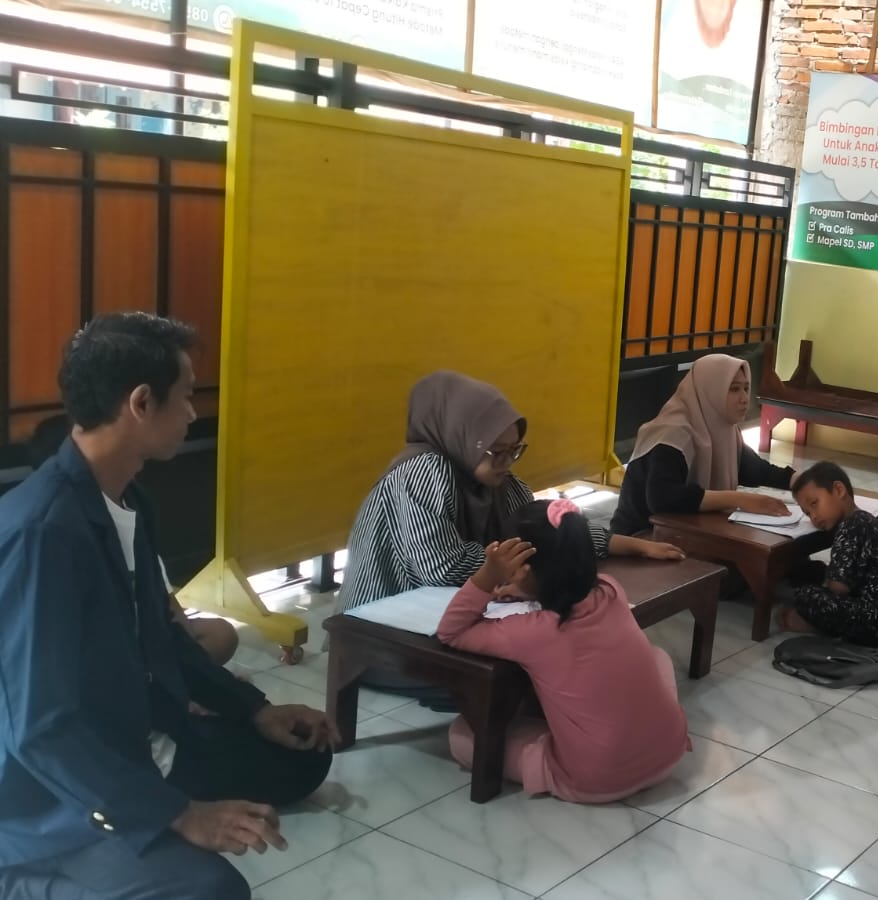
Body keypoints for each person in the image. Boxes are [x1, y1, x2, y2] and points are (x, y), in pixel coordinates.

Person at [0, 313, 336, 900]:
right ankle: (25, 879)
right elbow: (41, 730)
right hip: (51, 793)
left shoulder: (128, 500)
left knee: (305, 757)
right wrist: (178, 815)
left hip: (136, 732)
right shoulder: (43, 533)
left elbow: (163, 638)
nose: (191, 413)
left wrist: (254, 708)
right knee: (212, 891)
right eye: (184, 396)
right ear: (140, 403)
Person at [340, 370, 682, 614]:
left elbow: (546, 531)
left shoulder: (498, 480)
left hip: (454, 608)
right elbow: (442, 569)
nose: (507, 462)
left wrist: (634, 545)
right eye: (496, 452)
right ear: (461, 439)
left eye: (514, 450)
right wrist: (516, 567)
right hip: (386, 622)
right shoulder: (423, 471)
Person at [438, 500, 689, 803]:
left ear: (524, 570)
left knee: (461, 734)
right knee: (658, 656)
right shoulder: (610, 589)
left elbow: (451, 631)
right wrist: (529, 589)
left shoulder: (531, 632)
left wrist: (486, 577)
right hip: (668, 755)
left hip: (598, 779)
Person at [27, 414, 239, 667]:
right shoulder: (45, 532)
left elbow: (169, 607)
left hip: (143, 641)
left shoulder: (127, 509)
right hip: (102, 655)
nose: (190, 413)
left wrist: (185, 654)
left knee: (220, 634)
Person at [611, 354, 796, 536]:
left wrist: (799, 481)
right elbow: (663, 498)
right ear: (709, 391)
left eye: (746, 389)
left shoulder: (725, 430)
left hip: (680, 533)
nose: (744, 398)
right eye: (734, 389)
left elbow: (756, 470)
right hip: (639, 538)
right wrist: (739, 499)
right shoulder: (673, 433)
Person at [780, 462, 878, 648]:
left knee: (805, 595)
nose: (814, 517)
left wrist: (824, 587)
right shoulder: (867, 520)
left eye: (814, 504)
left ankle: (816, 627)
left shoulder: (849, 527)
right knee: (819, 572)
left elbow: (838, 588)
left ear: (839, 490)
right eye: (808, 513)